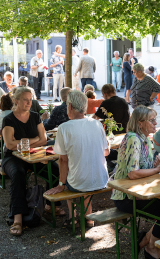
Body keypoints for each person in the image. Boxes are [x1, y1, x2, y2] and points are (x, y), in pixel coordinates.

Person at [111, 106, 160, 259]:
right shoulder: (133, 139)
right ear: (140, 123)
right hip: (125, 196)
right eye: (152, 120)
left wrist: (155, 165)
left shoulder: (143, 139)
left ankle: (147, 239)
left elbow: (142, 169)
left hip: (139, 191)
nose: (156, 123)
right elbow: (133, 173)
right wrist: (157, 170)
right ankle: (151, 248)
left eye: (155, 119)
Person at [1, 86, 63, 236]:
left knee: (55, 171)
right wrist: (34, 140)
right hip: (12, 157)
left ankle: (51, 204)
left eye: (30, 100)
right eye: (25, 100)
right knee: (18, 175)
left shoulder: (35, 116)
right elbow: (9, 145)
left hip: (34, 156)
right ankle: (17, 218)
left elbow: (43, 140)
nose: (29, 103)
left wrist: (23, 142)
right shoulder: (8, 119)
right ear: (16, 101)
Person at [44, 90, 109, 228]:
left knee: (73, 178)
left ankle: (72, 217)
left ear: (70, 107)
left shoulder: (64, 128)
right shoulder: (97, 124)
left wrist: (61, 184)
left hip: (80, 183)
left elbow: (63, 160)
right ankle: (88, 218)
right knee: (82, 173)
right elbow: (106, 152)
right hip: (101, 179)